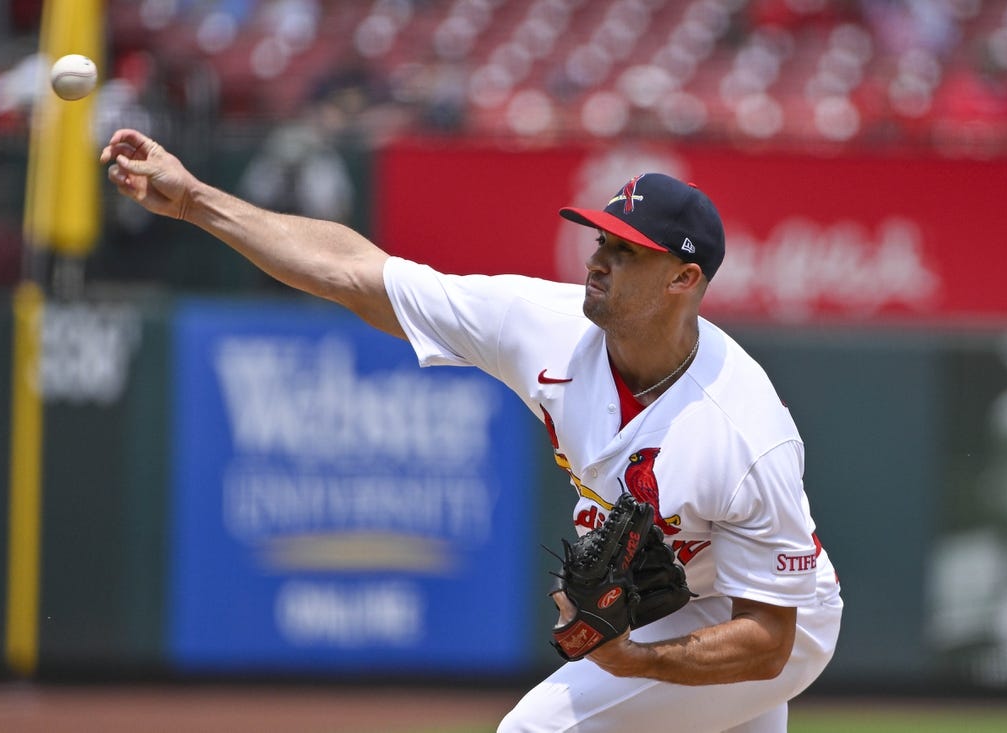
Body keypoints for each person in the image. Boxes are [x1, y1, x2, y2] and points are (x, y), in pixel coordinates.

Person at [101, 129, 843, 732]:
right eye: (599, 240)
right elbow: (361, 275)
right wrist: (198, 201)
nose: (598, 261)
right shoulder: (544, 327)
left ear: (684, 280)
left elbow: (768, 638)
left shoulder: (743, 431)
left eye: (626, 251)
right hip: (684, 601)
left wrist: (633, 661)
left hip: (774, 624)